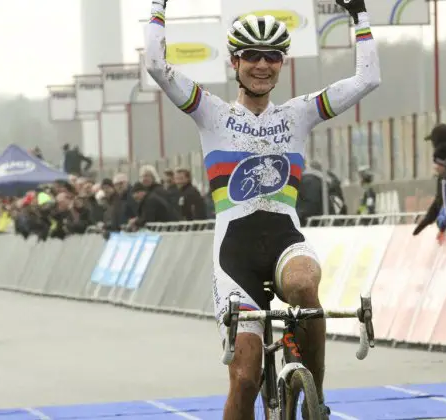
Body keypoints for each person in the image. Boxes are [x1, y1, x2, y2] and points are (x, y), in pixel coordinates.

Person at [145, 0, 380, 418]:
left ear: (281, 64)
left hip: (285, 240)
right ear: (234, 61)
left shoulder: (298, 114)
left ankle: (315, 400)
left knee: (306, 285)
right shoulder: (210, 112)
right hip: (234, 256)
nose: (261, 65)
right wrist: (158, 7)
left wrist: (360, 17)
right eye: (251, 55)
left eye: (272, 56)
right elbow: (156, 66)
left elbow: (368, 79)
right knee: (245, 379)